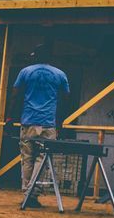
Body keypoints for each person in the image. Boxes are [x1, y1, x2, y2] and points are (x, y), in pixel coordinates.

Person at [10, 50, 69, 208]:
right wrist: (60, 124)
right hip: (48, 124)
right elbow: (65, 101)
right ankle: (33, 194)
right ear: (50, 58)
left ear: (35, 57)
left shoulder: (25, 72)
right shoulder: (60, 74)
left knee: (27, 159)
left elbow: (15, 95)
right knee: (42, 159)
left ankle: (27, 193)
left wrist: (9, 118)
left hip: (28, 121)